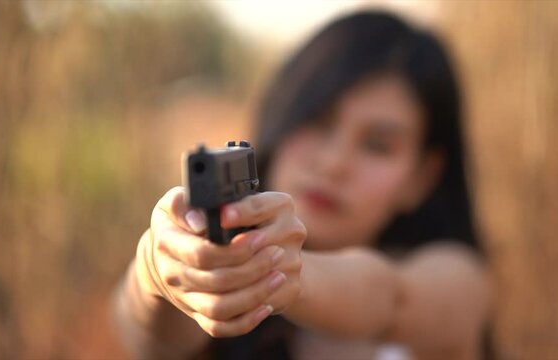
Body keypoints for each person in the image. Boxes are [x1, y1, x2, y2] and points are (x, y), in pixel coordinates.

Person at [112, 10, 491, 360]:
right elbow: (147, 336)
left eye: (377, 146)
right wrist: (158, 269)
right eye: (317, 122)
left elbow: (389, 299)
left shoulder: (455, 280)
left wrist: (276, 271)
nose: (333, 163)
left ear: (421, 177)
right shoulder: (227, 262)